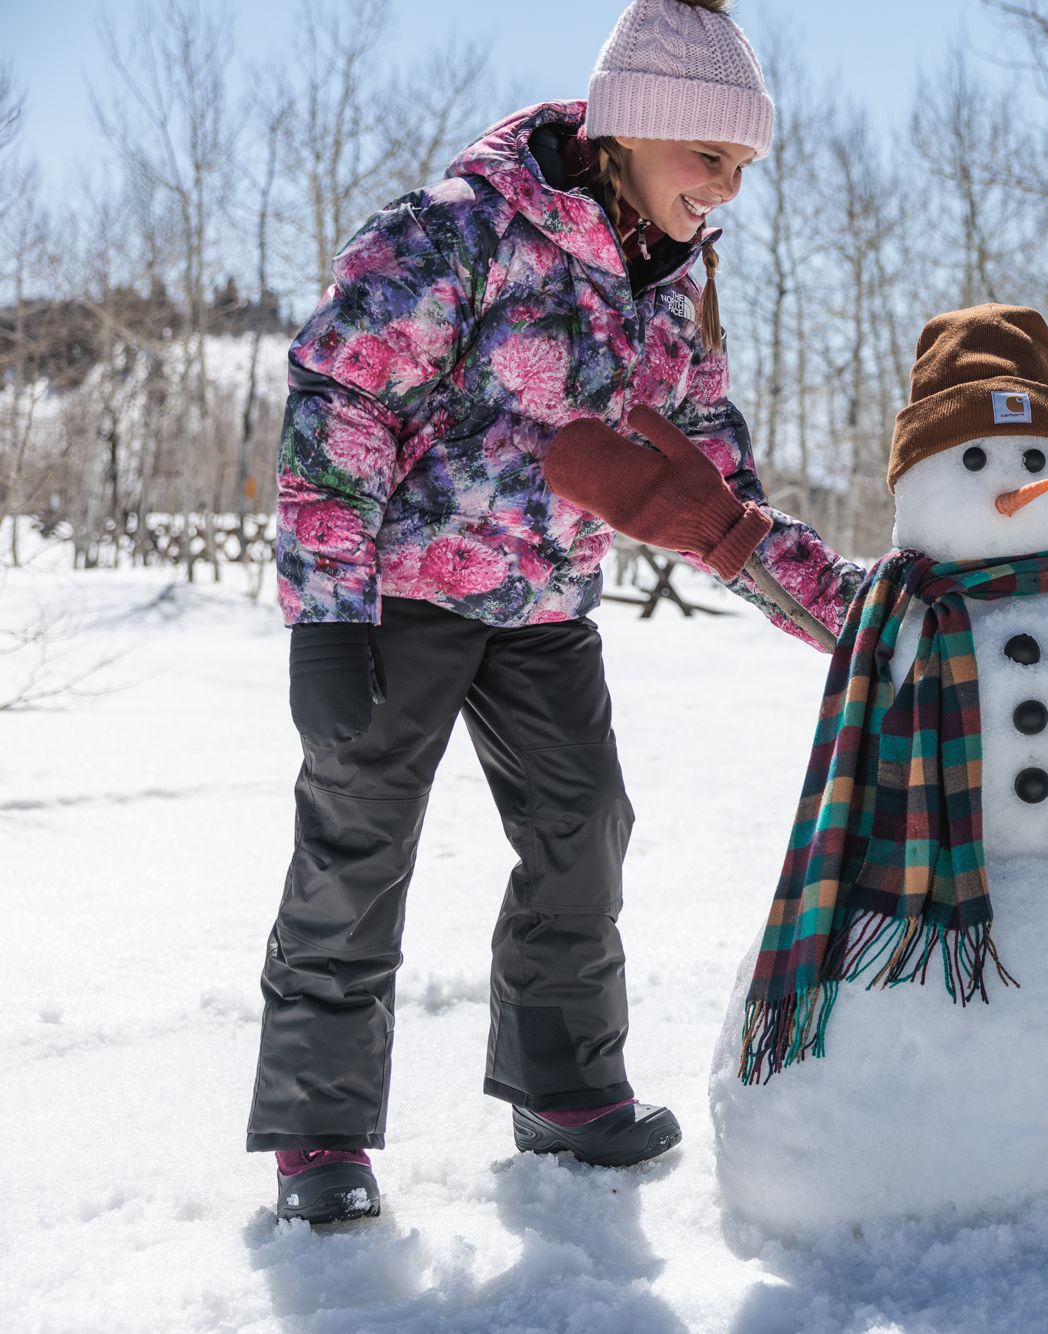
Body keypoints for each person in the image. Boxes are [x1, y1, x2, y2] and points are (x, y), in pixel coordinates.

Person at [251, 0, 862, 1225]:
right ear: (634, 128)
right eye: (711, 157)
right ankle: (320, 1131)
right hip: (400, 601)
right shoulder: (456, 232)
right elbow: (340, 401)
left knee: (585, 828)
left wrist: (860, 619)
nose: (725, 189)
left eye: (741, 168)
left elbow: (714, 492)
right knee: (357, 843)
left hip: (543, 607)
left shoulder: (671, 292)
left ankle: (563, 1088)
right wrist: (326, 612)